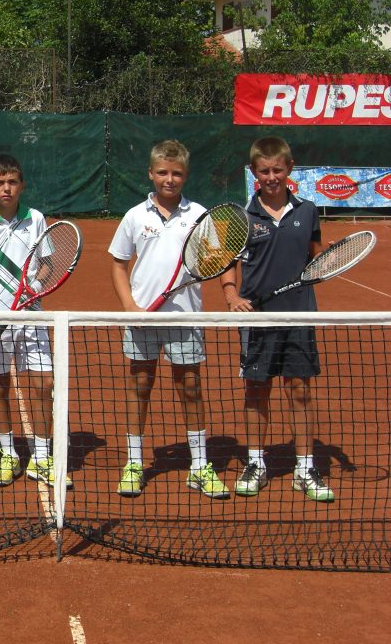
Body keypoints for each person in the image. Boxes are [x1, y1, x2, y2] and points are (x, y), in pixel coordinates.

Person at [108, 140, 229, 499]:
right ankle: (133, 463)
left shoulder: (200, 215)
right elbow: (118, 263)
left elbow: (215, 259)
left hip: (185, 317)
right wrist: (129, 306)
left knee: (190, 388)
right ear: (151, 173)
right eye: (162, 172)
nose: (169, 179)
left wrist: (209, 264)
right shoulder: (134, 216)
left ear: (185, 175)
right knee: (139, 388)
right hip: (142, 317)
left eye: (176, 173)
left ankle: (199, 466)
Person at [221, 136, 333, 503]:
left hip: (300, 312)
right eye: (264, 170)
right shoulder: (243, 217)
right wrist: (231, 294)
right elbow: (229, 266)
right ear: (254, 172)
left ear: (289, 168)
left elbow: (316, 257)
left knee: (299, 390)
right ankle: (256, 463)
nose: (271, 176)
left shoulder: (308, 210)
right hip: (257, 316)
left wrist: (328, 261)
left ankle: (304, 467)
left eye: (277, 169)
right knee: (256, 391)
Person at [0, 154, 67, 489]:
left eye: (12, 182)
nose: (6, 188)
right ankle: (8, 454)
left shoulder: (36, 219)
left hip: (32, 316)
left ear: (21, 185)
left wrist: (34, 288)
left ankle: (41, 457)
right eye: (0, 183)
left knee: (44, 385)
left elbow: (48, 264)